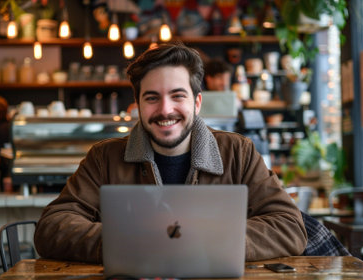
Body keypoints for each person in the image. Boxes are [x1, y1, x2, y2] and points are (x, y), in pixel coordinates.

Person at [34, 43, 307, 263]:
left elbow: (289, 227)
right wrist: (132, 240)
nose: (165, 110)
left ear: (197, 102)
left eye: (178, 96)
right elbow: (51, 228)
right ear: (137, 105)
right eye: (152, 98)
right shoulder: (103, 157)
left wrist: (201, 240)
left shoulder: (239, 152)